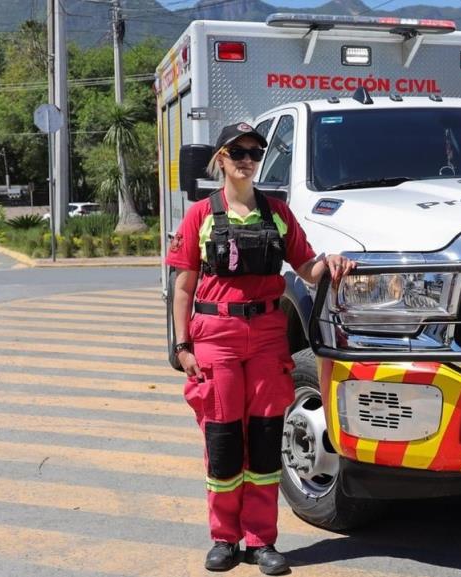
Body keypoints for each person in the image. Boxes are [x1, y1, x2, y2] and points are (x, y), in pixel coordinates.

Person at [166, 122, 355, 573]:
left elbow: (307, 270)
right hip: (217, 337)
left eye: (254, 151)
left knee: (267, 439)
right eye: (237, 152)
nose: (246, 158)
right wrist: (180, 345)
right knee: (224, 437)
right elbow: (183, 286)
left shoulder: (277, 213)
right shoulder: (200, 215)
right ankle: (224, 538)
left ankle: (260, 540)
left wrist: (330, 261)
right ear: (221, 160)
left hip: (268, 336)